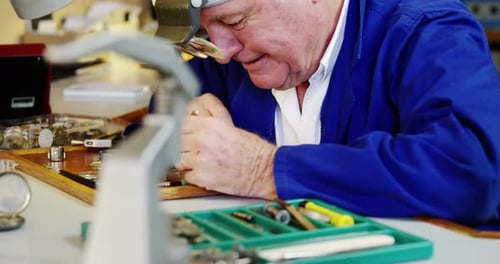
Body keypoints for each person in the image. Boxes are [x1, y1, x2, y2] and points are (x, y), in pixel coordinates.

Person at [176, 0, 500, 226]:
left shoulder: (426, 29)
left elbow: (470, 171)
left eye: (236, 21)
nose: (223, 52)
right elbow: (160, 125)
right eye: (208, 30)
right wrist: (182, 135)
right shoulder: (233, 60)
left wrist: (264, 170)